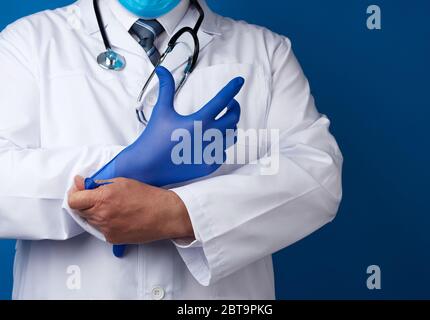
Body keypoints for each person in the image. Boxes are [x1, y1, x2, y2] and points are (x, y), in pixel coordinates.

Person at [0, 0, 343, 299]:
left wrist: (180, 214)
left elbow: (316, 173)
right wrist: (122, 167)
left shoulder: (265, 51)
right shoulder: (29, 43)